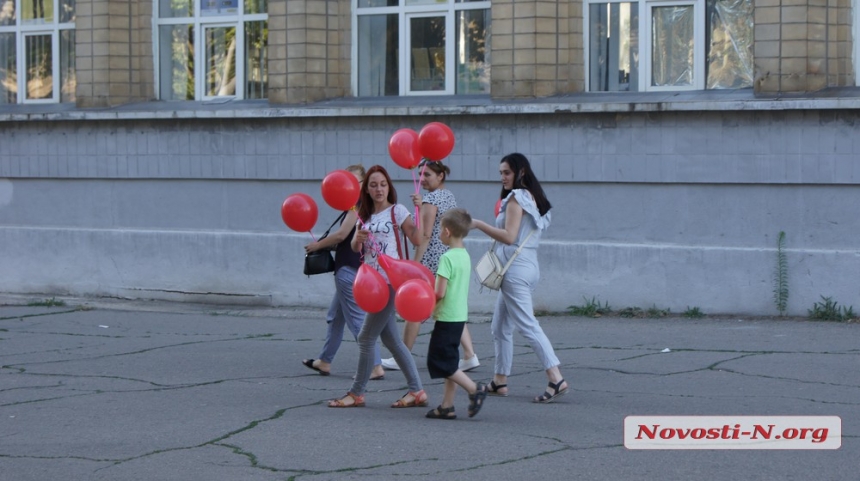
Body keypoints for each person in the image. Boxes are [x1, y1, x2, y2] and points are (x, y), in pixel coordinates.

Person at [470, 153, 569, 403]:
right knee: (499, 326)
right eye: (501, 173)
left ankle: (555, 377)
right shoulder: (534, 198)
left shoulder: (516, 198)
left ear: (520, 172)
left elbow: (509, 236)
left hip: (514, 270)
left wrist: (479, 224)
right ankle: (500, 379)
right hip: (526, 265)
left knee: (527, 325)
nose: (502, 177)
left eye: (507, 172)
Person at [328, 165, 428, 408]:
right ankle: (416, 391)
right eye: (373, 185)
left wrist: (420, 209)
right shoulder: (365, 215)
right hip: (372, 285)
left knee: (365, 338)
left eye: (382, 184)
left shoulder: (397, 211)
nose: (379, 189)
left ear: (389, 186)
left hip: (390, 282)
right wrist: (357, 239)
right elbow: (355, 249)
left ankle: (356, 393)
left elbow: (417, 239)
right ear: (367, 189)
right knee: (393, 341)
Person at [380, 160, 480, 372]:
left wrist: (414, 265)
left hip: (431, 261)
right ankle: (470, 355)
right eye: (420, 175)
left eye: (427, 175)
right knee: (450, 308)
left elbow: (424, 235)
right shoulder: (447, 195)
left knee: (415, 307)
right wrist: (420, 205)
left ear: (440, 175)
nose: (422, 179)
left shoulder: (431, 199)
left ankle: (402, 356)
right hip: (449, 255)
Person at [301, 164, 385, 381]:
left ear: (363, 184)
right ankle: (325, 361)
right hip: (352, 268)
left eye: (354, 181)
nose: (348, 185)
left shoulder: (357, 206)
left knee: (357, 320)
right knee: (336, 317)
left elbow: (341, 235)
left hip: (349, 270)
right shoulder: (362, 206)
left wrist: (317, 246)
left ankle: (375, 365)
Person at [424, 208, 487, 420]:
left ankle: (474, 389)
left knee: (439, 361)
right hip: (459, 317)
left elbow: (440, 292)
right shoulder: (464, 255)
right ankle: (447, 406)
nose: (438, 232)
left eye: (440, 229)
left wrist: (426, 303)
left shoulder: (447, 258)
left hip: (446, 317)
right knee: (450, 362)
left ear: (447, 232)